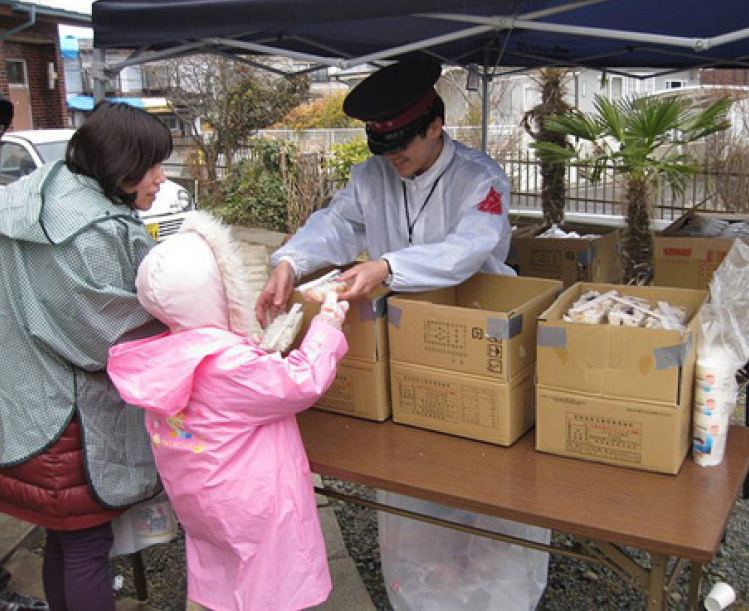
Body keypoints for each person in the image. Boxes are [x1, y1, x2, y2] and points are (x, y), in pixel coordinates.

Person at [107, 211, 350, 611]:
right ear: (217, 290)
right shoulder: (229, 364)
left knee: (219, 570)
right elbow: (302, 380)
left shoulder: (165, 355)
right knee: (269, 582)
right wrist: (328, 321)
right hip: (252, 501)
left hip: (202, 500)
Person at [0, 101, 172, 611]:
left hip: (21, 405)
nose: (161, 179)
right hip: (69, 418)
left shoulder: (29, 198)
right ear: (119, 166)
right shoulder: (92, 231)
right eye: (151, 166)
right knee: (87, 548)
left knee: (64, 537)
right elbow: (111, 339)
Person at [255, 53, 515, 325]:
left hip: (474, 313)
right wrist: (292, 262)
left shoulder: (480, 178)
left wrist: (388, 267)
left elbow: (468, 248)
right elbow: (339, 224)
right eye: (383, 148)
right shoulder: (373, 175)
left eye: (402, 145)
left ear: (435, 126)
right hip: (400, 316)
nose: (393, 157)